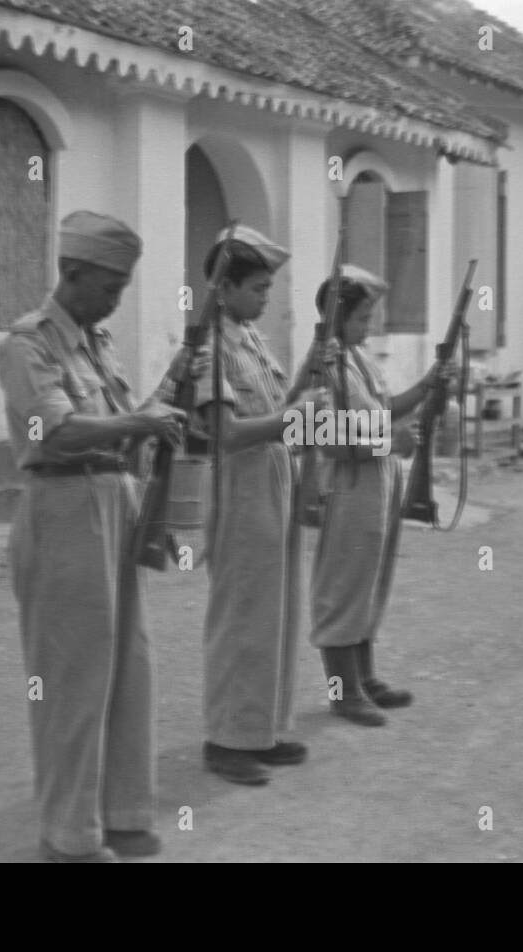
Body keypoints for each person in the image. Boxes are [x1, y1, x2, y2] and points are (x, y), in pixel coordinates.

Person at [0, 210, 200, 862]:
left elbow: (123, 431)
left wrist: (151, 463)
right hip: (62, 507)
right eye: (109, 286)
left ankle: (122, 812)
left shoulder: (97, 343)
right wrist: (139, 421)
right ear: (73, 272)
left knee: (129, 669)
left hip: (116, 502)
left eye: (123, 287)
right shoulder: (27, 344)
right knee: (72, 678)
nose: (116, 299)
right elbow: (52, 431)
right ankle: (67, 834)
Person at [195, 226, 330, 786]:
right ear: (222, 288)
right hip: (239, 485)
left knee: (277, 611)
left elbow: (281, 408)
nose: (264, 298)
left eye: (268, 288)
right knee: (244, 614)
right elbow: (225, 432)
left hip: (273, 479)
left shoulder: (250, 341)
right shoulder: (209, 348)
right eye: (255, 288)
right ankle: (226, 738)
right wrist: (295, 418)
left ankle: (262, 730)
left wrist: (310, 380)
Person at [308, 265, 455, 726]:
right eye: (361, 318)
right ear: (336, 317)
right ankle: (341, 692)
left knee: (371, 581)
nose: (367, 327)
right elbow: (328, 437)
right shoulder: (325, 366)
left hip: (378, 483)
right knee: (343, 588)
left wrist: (430, 383)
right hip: (349, 486)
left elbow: (385, 410)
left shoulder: (360, 359)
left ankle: (364, 679)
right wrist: (390, 441)